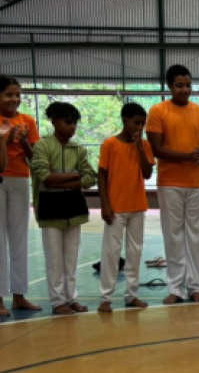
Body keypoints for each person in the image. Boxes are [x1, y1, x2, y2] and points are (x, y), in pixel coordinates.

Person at [146, 64, 199, 305]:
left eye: (188, 85)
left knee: (196, 235)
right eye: (179, 85)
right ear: (169, 86)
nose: (185, 89)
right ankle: (175, 288)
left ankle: (196, 286)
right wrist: (187, 155)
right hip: (169, 182)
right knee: (173, 235)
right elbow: (156, 150)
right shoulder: (157, 111)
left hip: (197, 183)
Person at [30, 102, 96, 315]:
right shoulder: (42, 146)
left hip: (74, 208)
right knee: (54, 260)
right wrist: (74, 175)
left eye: (74, 123)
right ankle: (58, 302)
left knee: (71, 259)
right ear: (54, 121)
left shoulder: (79, 149)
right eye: (68, 122)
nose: (72, 127)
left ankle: (72, 299)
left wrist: (65, 181)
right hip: (50, 209)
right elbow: (46, 177)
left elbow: (89, 177)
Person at [97, 103, 155, 313]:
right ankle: (105, 296)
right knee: (111, 252)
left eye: (142, 123)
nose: (139, 127)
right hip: (116, 207)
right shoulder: (110, 144)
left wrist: (139, 147)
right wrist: (105, 204)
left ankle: (132, 295)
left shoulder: (145, 145)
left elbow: (147, 173)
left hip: (137, 206)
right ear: (124, 120)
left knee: (135, 252)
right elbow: (101, 175)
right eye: (135, 122)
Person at [0, 75, 42, 316]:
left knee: (19, 238)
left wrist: (24, 140)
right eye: (8, 94)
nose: (14, 99)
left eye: (17, 95)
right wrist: (5, 137)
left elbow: (33, 157)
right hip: (0, 178)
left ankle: (19, 296)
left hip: (20, 178)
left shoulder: (27, 121)